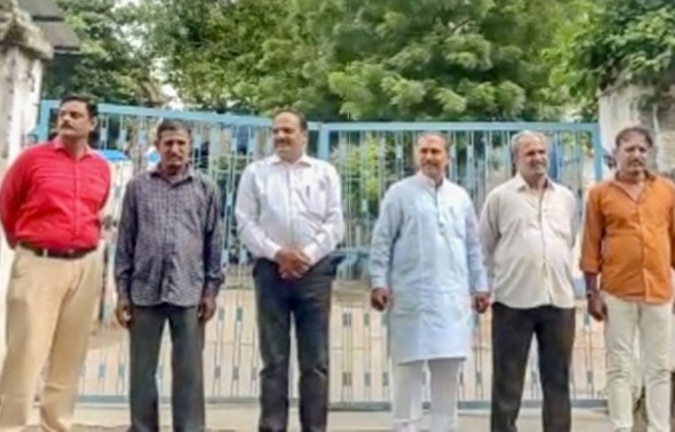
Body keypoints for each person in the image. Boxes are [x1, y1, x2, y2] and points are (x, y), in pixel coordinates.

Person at [0, 94, 113, 432]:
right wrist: (25, 245)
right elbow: (6, 204)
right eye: (62, 114)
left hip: (85, 266)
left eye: (75, 115)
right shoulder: (32, 159)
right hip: (39, 263)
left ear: (92, 123)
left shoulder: (100, 167)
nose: (66, 119)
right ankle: (9, 427)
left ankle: (56, 425)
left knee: (69, 355)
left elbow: (97, 208)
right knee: (26, 353)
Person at [368, 132, 489, 432]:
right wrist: (378, 281)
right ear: (415, 156)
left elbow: (473, 246)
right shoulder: (399, 194)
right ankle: (404, 428)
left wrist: (481, 285)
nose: (429, 157)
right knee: (407, 371)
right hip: (411, 298)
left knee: (447, 372)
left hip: (452, 300)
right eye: (423, 151)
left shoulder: (460, 197)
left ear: (447, 157)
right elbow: (382, 241)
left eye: (435, 151)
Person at [235, 109, 344, 432]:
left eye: (287, 131)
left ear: (304, 135)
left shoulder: (324, 173)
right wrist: (278, 254)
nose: (281, 137)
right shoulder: (255, 173)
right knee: (274, 361)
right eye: (276, 131)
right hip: (271, 273)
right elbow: (245, 222)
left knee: (315, 362)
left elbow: (335, 222)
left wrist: (305, 257)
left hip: (315, 274)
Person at [580, 124, 675, 432]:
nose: (637, 155)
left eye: (642, 149)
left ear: (649, 153)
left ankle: (658, 427)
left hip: (658, 291)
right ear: (616, 153)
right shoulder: (600, 194)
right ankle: (622, 426)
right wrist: (592, 292)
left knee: (659, 367)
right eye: (629, 149)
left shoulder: (666, 190)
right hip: (617, 292)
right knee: (619, 366)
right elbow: (590, 245)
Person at [115, 120, 224, 432]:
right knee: (142, 371)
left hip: (189, 292)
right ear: (158, 146)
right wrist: (122, 292)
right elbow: (126, 241)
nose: (175, 149)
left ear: (190, 147)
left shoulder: (206, 188)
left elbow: (214, 242)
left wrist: (211, 291)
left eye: (181, 143)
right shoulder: (138, 187)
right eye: (168, 143)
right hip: (144, 290)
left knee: (189, 372)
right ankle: (142, 427)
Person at [479, 131, 579, 431]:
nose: (537, 158)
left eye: (541, 152)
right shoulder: (500, 198)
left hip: (559, 301)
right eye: (530, 153)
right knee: (507, 382)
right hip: (513, 301)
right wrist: (485, 286)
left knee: (558, 380)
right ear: (516, 159)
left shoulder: (565, 198)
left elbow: (569, 240)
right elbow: (484, 246)